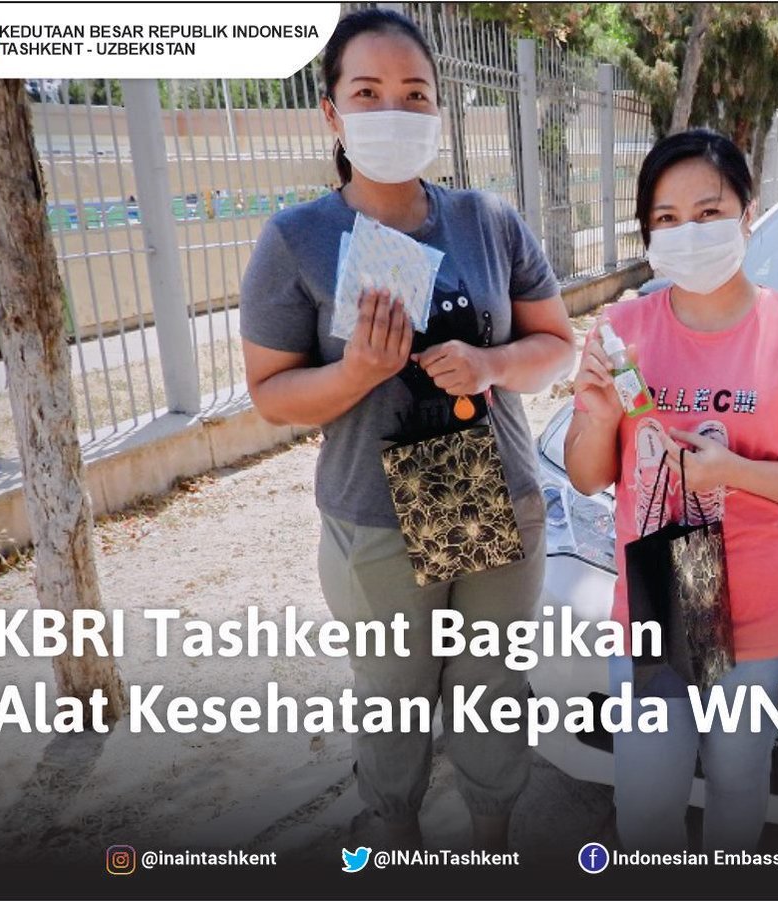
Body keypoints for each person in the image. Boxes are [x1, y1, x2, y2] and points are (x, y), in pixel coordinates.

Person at [238, 8, 574, 851]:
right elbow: (271, 394)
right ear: (332, 111)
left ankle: (491, 838)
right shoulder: (297, 239)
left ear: (438, 108)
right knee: (393, 699)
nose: (393, 109)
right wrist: (355, 373)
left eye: (414, 93)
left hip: (491, 492)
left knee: (491, 692)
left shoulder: (487, 220)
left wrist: (493, 363)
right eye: (368, 92)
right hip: (378, 510)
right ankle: (395, 838)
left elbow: (555, 346)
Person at [563, 129, 778, 852]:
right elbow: (588, 475)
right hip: (658, 598)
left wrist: (730, 473)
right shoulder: (620, 330)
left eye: (709, 212)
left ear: (749, 212)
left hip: (761, 607)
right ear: (649, 234)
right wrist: (599, 413)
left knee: (737, 787)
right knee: (647, 806)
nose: (689, 231)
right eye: (667, 218)